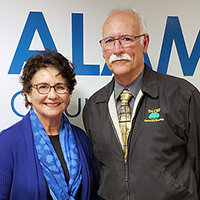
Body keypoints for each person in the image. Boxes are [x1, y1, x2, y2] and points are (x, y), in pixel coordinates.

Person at [83, 7, 200, 200]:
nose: (117, 49)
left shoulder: (182, 95)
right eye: (109, 41)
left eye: (127, 39)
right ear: (103, 49)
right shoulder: (94, 107)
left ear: (144, 43)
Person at [0, 50, 101, 200]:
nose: (52, 95)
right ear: (28, 93)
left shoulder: (81, 138)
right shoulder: (7, 142)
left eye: (60, 86)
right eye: (42, 87)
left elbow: (95, 194)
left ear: (68, 93)